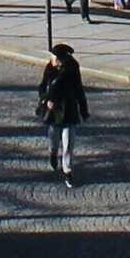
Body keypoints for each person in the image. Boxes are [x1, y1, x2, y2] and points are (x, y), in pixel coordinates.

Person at [36, 37, 87, 181]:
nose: (51, 59)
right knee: (54, 141)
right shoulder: (49, 69)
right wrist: (46, 100)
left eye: (54, 57)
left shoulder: (72, 70)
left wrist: (83, 110)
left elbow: (79, 90)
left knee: (68, 144)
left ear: (60, 59)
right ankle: (53, 153)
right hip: (54, 112)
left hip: (69, 110)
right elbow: (42, 87)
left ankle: (68, 172)